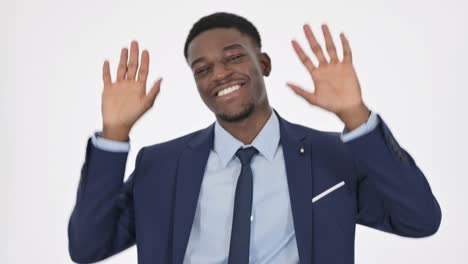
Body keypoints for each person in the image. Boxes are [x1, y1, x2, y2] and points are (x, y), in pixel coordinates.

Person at [68, 12, 441, 264]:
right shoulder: (161, 165)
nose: (219, 74)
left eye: (234, 58)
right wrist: (114, 134)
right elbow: (87, 246)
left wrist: (355, 116)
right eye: (203, 69)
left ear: (263, 64)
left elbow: (420, 219)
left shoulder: (331, 158)